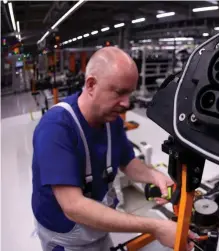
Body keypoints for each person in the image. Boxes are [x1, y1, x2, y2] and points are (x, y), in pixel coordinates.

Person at [31, 47, 195, 251]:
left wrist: (155, 176)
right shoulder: (56, 128)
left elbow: (128, 162)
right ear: (91, 84)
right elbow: (73, 207)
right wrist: (156, 227)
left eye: (130, 93)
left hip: (97, 229)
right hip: (67, 238)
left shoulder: (111, 120)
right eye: (120, 92)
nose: (127, 103)